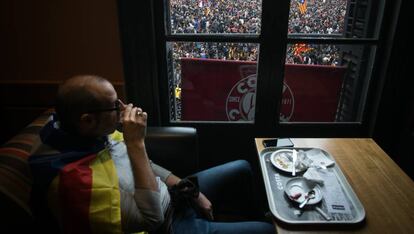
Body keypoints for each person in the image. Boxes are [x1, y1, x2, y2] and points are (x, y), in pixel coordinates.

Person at [29, 75, 275, 234]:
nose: (124, 109)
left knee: (242, 167)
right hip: (170, 225)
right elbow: (152, 220)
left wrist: (189, 189)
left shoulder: (92, 133)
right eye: (115, 106)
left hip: (174, 197)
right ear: (87, 120)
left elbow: (147, 165)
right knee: (266, 231)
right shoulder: (77, 183)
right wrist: (136, 143)